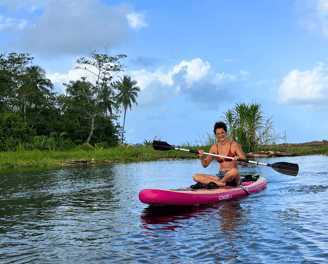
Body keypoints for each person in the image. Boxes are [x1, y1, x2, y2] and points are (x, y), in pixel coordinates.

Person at [191, 121, 248, 189]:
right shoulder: (214, 147)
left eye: (222, 133)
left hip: (233, 177)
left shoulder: (234, 145)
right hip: (220, 176)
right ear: (215, 135)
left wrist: (239, 161)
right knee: (195, 176)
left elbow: (245, 163)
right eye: (218, 134)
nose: (220, 135)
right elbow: (205, 165)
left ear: (226, 132)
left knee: (234, 171)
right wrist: (201, 158)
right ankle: (221, 183)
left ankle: (216, 184)